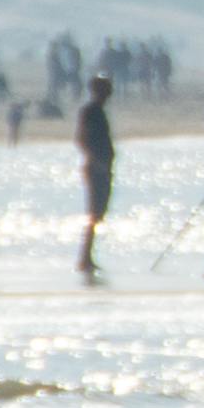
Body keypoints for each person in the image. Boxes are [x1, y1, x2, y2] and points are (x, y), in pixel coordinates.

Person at [72, 73, 119, 280]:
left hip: (101, 167)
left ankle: (88, 256)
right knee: (94, 212)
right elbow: (83, 138)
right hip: (96, 168)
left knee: (98, 213)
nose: (109, 94)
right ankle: (85, 257)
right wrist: (97, 161)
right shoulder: (91, 112)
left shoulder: (97, 111)